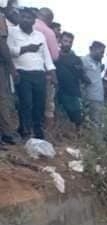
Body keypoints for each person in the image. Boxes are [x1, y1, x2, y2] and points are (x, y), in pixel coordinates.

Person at [8, 9, 56, 140]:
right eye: (23, 17)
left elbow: (46, 56)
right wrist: (26, 48)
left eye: (28, 18)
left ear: (34, 21)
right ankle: (25, 131)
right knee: (26, 103)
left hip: (39, 74)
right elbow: (9, 50)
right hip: (22, 73)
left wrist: (53, 74)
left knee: (39, 104)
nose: (25, 19)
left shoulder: (39, 35)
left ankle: (38, 132)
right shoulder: (12, 31)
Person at [33, 8, 58, 130]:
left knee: (28, 102)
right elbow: (54, 56)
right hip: (45, 74)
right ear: (49, 19)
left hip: (22, 71)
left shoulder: (22, 26)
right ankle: (47, 132)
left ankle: (27, 130)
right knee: (48, 105)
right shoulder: (48, 32)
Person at [55, 32, 86, 131]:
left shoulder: (76, 59)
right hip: (57, 91)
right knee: (58, 116)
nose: (67, 44)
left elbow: (81, 76)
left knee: (77, 118)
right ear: (60, 41)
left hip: (73, 93)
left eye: (70, 42)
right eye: (65, 41)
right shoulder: (55, 56)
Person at [0, 3, 17, 146]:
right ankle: (6, 134)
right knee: (2, 99)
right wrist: (11, 66)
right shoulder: (0, 18)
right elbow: (2, 43)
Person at [81, 41, 105, 128]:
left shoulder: (98, 63)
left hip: (99, 98)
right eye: (101, 52)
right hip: (89, 97)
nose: (102, 55)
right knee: (92, 125)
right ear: (92, 49)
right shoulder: (84, 60)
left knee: (98, 124)